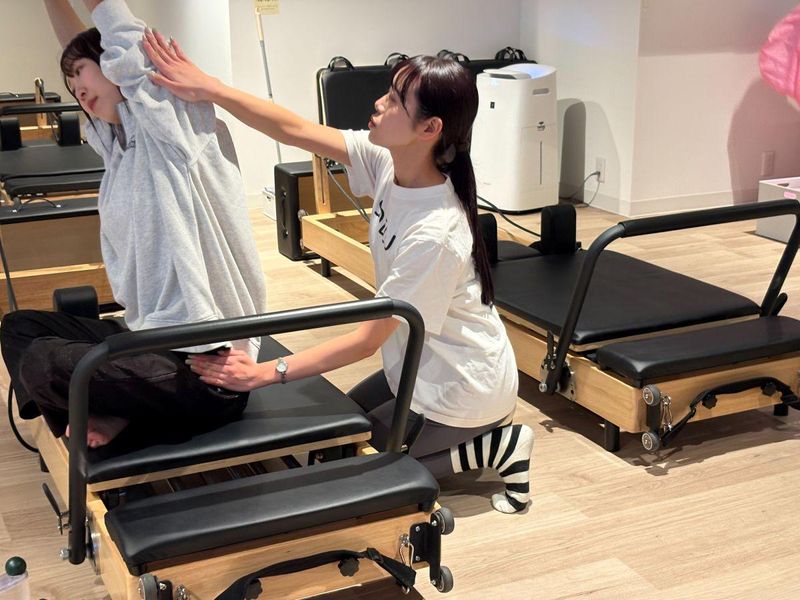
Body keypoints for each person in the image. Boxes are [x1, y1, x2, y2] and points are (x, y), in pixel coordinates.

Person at [144, 33, 533, 513]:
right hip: (415, 366)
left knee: (363, 473)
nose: (379, 103)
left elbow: (366, 340)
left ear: (429, 128)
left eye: (395, 100)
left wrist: (263, 374)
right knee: (336, 442)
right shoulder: (388, 160)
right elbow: (294, 129)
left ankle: (501, 447)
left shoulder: (436, 232)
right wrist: (211, 88)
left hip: (464, 389)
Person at [0, 0, 266, 449]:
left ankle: (102, 410)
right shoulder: (117, 147)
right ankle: (104, 410)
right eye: (70, 85)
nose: (77, 90)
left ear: (115, 64)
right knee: (17, 327)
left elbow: (119, 37)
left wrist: (104, 23)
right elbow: (76, 48)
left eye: (81, 73)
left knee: (46, 363)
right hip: (146, 339)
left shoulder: (175, 130)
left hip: (206, 368)